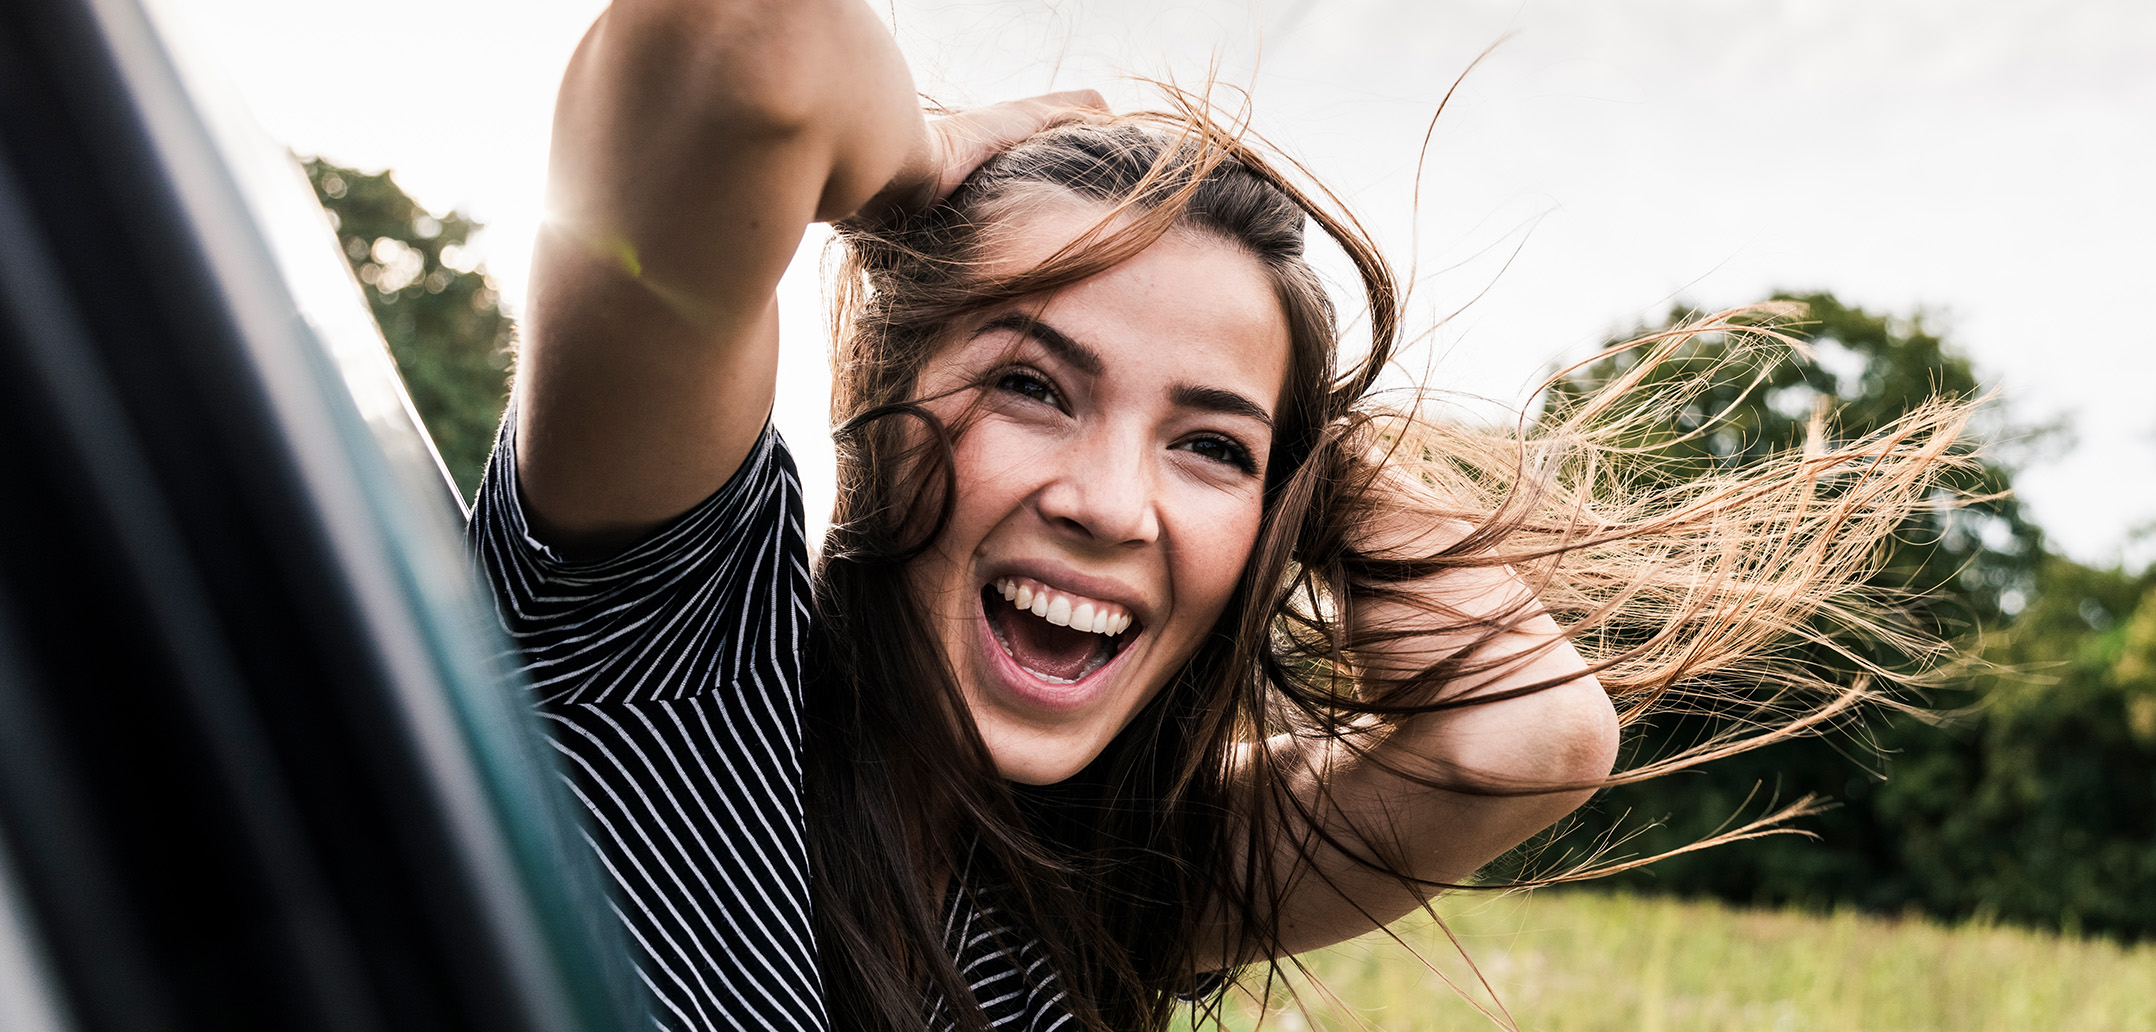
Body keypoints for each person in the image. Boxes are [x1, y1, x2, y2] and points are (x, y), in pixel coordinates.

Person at [469, 2, 1974, 1030]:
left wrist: (1284, 399)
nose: (1112, 503)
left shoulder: (1113, 886)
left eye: (1207, 449)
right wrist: (926, 165)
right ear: (883, 392)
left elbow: (1529, 736)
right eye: (1035, 390)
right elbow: (741, 39)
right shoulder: (662, 641)